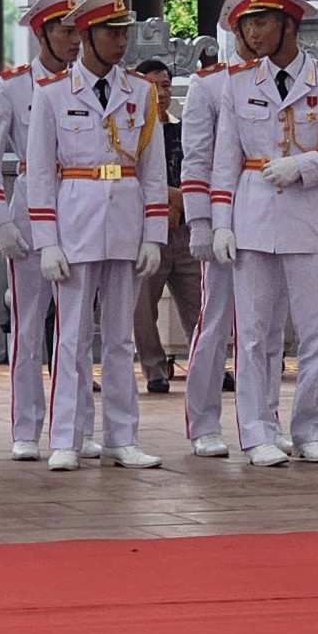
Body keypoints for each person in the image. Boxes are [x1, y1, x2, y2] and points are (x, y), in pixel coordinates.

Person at [211, 0, 318, 460]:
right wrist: (221, 221)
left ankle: (311, 431)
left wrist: (307, 165)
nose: (253, 34)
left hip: (306, 217)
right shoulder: (239, 84)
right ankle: (259, 431)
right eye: (247, 25)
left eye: (262, 22)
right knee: (256, 335)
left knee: (315, 331)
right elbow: (225, 159)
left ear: (289, 24)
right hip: (253, 215)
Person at [24, 0, 168, 472]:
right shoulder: (51, 94)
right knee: (72, 336)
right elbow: (41, 171)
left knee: (121, 338)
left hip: (125, 220)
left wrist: (154, 234)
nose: (121, 42)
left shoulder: (142, 93)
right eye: (111, 33)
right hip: (76, 220)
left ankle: (122, 437)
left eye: (124, 33)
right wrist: (46, 241)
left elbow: (153, 170)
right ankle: (66, 435)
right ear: (86, 36)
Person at [0, 0, 90, 461]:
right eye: (64, 31)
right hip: (27, 212)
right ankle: (26, 427)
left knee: (77, 328)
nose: (74, 40)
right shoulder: (14, 86)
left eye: (78, 30)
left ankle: (77, 426)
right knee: (27, 326)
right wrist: (0, 222)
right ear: (42, 33)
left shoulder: (87, 81)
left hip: (80, 207)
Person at [175, 0, 249, 458]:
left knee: (262, 327)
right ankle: (204, 420)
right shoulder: (208, 86)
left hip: (269, 213)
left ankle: (262, 420)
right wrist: (200, 221)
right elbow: (196, 159)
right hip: (222, 215)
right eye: (249, 25)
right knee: (216, 319)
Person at [131, 57, 201, 400]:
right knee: (143, 304)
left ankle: (206, 366)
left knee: (198, 300)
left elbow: (199, 167)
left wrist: (181, 203)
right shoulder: (130, 129)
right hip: (147, 228)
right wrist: (170, 199)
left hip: (186, 227)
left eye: (166, 85)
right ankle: (155, 369)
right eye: (153, 85)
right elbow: (136, 176)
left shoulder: (183, 128)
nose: (161, 92)